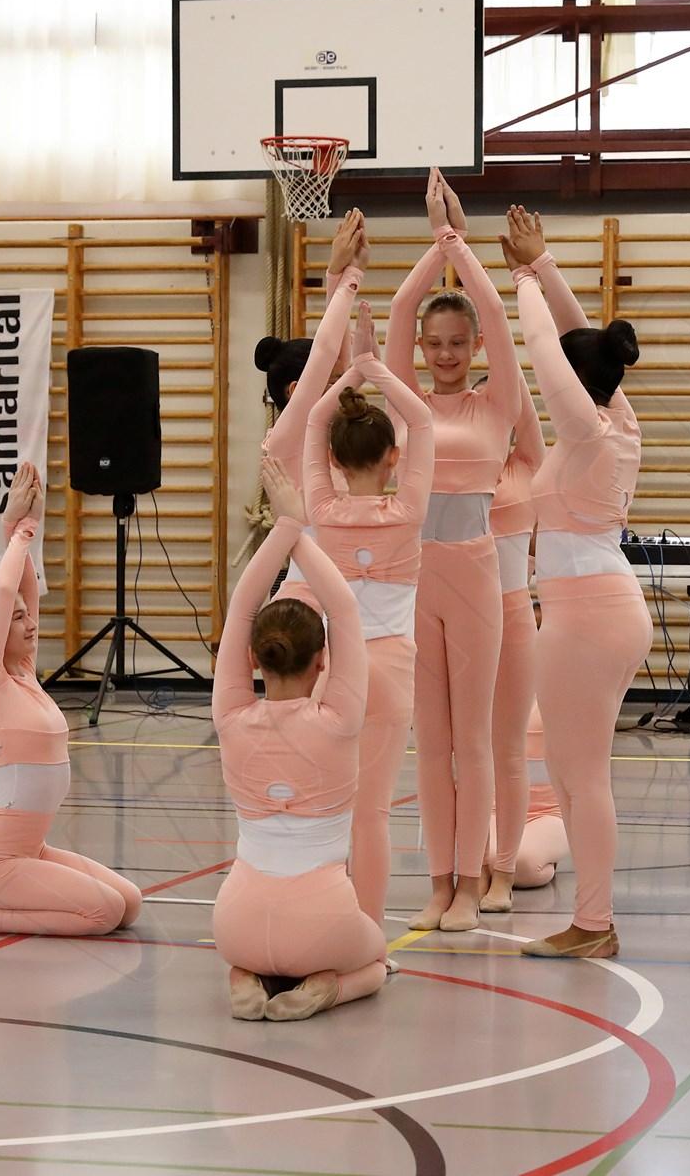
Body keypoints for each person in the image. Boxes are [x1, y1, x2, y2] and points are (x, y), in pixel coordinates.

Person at [502, 205, 652, 959]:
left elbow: (545, 347)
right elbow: (578, 338)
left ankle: (595, 923)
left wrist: (523, 279)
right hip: (600, 607)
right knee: (568, 771)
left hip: (586, 616)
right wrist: (544, 265)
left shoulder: (590, 432)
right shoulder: (617, 418)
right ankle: (591, 919)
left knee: (582, 776)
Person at [384, 169, 521, 932]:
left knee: (472, 739)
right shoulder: (405, 405)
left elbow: (496, 311)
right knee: (429, 744)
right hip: (415, 579)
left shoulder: (496, 403)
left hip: (474, 573)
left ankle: (472, 882)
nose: (442, 353)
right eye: (432, 344)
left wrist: (458, 243)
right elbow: (401, 307)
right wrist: (433, 241)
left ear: (473, 347)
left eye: (456, 343)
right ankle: (438, 881)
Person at [0, 462, 142, 935]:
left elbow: (21, 588)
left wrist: (19, 526)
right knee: (103, 912)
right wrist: (21, 529)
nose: (31, 623)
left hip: (29, 849)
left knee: (129, 903)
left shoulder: (23, 669)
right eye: (17, 618)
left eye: (28, 616)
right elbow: (6, 590)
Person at [212, 459, 385, 1021]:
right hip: (321, 921)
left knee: (257, 946)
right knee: (377, 957)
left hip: (234, 923)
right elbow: (345, 609)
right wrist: (301, 530)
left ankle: (245, 975)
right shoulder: (339, 720)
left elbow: (242, 606)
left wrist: (287, 527)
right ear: (322, 661)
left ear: (251, 657)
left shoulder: (230, 715)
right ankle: (328, 987)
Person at [302, 302, 433, 926]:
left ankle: (324, 924)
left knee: (329, 808)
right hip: (390, 668)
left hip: (335, 670)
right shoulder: (406, 512)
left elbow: (313, 420)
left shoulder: (322, 511)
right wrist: (375, 368)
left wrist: (352, 372)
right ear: (393, 458)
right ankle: (368, 934)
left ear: (332, 461)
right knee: (372, 813)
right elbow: (422, 420)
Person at [256, 209, 368, 607]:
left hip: (346, 580)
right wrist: (347, 277)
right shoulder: (284, 441)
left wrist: (342, 273)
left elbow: (339, 356)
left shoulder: (328, 433)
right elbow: (325, 352)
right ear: (297, 391)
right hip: (307, 587)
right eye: (330, 381)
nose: (342, 386)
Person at [482, 377, 545, 912]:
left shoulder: (525, 466)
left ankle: (503, 870)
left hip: (512, 615)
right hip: (458, 618)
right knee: (462, 751)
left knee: (508, 749)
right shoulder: (445, 463)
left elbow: (523, 414)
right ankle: (467, 869)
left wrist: (506, 366)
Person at [489, 701, 570, 890]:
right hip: (496, 809)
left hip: (550, 813)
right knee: (483, 860)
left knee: (523, 866)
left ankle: (543, 856)